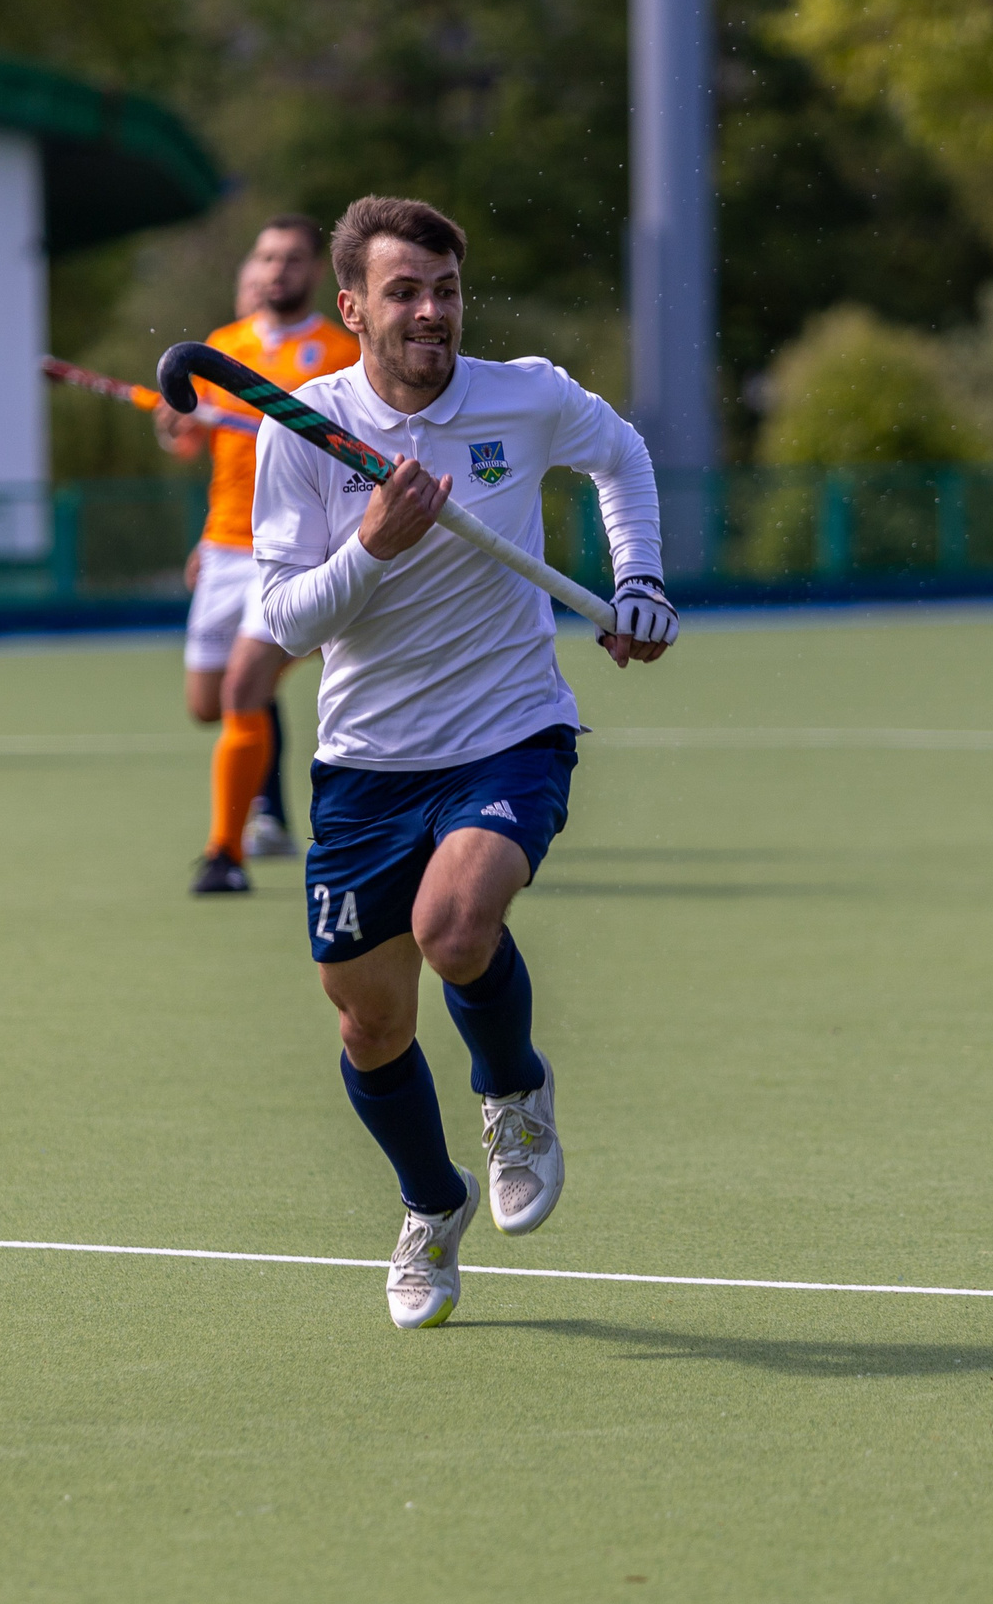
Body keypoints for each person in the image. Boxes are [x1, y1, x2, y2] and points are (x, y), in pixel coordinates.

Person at [252, 195, 678, 1329]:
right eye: (405, 292)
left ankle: (513, 1091)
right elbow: (289, 622)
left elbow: (620, 456)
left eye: (444, 289)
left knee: (456, 927)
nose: (432, 312)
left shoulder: (524, 394)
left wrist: (636, 578)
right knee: (369, 1024)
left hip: (507, 731)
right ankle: (431, 1206)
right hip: (364, 766)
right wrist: (370, 549)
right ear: (352, 308)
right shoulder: (296, 427)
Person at [160, 215, 359, 893]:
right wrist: (178, 430)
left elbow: (348, 454)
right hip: (222, 548)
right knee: (208, 702)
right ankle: (296, 653)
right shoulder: (224, 346)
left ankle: (226, 853)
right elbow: (199, 444)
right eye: (268, 257)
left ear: (317, 273)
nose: (278, 269)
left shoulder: (339, 352)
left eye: (294, 258)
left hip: (293, 550)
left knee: (245, 687)